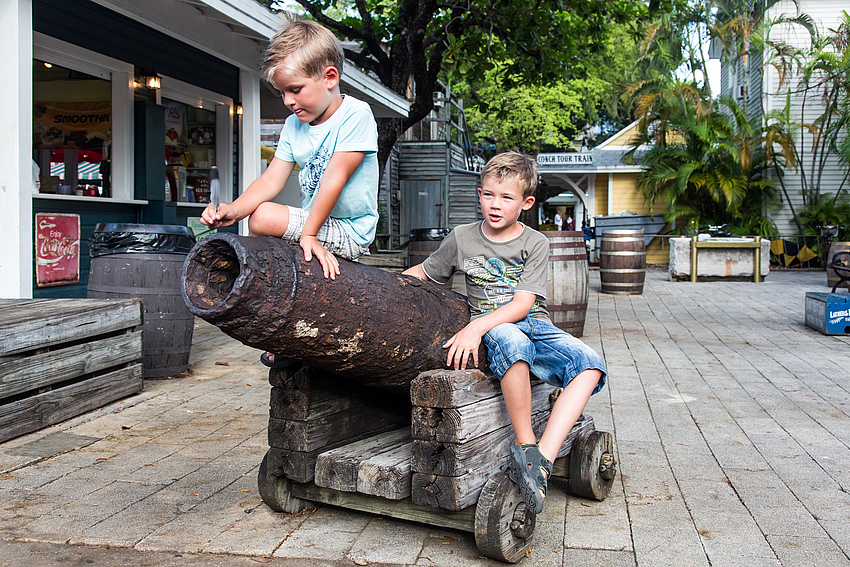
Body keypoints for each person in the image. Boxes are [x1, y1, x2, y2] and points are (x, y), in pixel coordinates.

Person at [402, 152, 606, 514]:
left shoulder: (535, 243)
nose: (495, 205)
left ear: (526, 203)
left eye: (507, 197)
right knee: (512, 341)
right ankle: (525, 445)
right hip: (496, 326)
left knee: (590, 364)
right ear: (480, 194)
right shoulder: (462, 238)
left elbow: (523, 304)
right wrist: (385, 284)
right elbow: (426, 272)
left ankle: (541, 459)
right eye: (489, 195)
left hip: (532, 322)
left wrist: (474, 327)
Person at [199, 19, 380, 368]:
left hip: (349, 229)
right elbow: (271, 180)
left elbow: (334, 178)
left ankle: (280, 316)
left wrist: (309, 234)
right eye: (282, 92)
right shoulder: (294, 125)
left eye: (295, 89)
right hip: (316, 224)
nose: (288, 101)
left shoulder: (356, 115)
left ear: (330, 77)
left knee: (264, 217)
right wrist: (232, 210)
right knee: (256, 216)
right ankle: (282, 321)